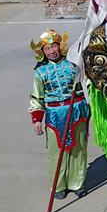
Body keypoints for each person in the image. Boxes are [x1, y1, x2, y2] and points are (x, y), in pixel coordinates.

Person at [28, 29, 88, 199]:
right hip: (54, 114)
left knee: (79, 149)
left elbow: (85, 84)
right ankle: (59, 185)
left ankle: (77, 183)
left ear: (60, 46)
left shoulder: (72, 64)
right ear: (42, 51)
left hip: (77, 109)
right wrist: (37, 119)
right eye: (47, 48)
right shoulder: (40, 72)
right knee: (56, 151)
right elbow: (36, 97)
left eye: (54, 46)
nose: (52, 51)